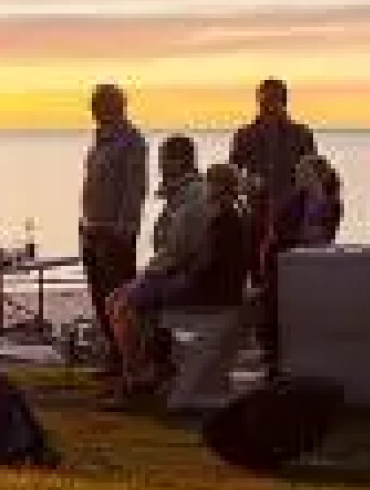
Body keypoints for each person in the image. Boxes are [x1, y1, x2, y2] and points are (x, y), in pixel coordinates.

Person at [105, 137, 211, 399]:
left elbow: (178, 248)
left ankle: (139, 376)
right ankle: (141, 369)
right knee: (116, 299)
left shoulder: (192, 197)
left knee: (124, 306)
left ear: (180, 161)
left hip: (184, 275)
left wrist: (151, 274)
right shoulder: (180, 194)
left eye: (164, 160)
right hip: (175, 270)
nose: (160, 166)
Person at [231, 79, 316, 370]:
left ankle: (290, 346)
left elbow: (312, 176)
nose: (268, 105)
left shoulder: (301, 134)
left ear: (284, 100)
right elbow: (233, 174)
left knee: (290, 284)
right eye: (264, 100)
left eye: (274, 99)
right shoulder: (245, 134)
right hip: (255, 219)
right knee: (259, 284)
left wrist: (311, 218)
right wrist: (245, 187)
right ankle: (267, 348)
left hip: (291, 222)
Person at [78, 83, 149, 378]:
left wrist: (125, 227)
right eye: (94, 105)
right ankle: (114, 354)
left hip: (114, 232)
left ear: (117, 106)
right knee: (99, 295)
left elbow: (135, 188)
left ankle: (129, 359)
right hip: (92, 228)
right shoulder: (100, 140)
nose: (94, 110)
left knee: (118, 297)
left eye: (100, 105)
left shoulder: (131, 141)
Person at [291, 154, 343, 248]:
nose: (297, 177)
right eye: (298, 173)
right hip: (295, 249)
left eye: (303, 172)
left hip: (319, 249)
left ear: (316, 175)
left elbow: (329, 231)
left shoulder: (332, 203)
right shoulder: (296, 201)